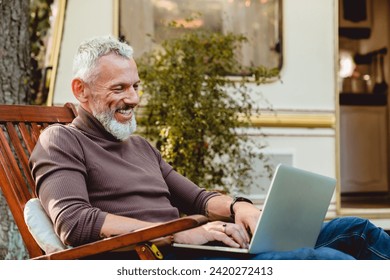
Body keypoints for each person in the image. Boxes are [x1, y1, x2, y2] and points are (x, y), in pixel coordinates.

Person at [29, 35, 390, 260]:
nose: (134, 98)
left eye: (136, 86)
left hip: (200, 244)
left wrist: (239, 208)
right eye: (120, 88)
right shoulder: (61, 141)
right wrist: (182, 233)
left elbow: (199, 199)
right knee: (331, 262)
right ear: (81, 90)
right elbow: (74, 224)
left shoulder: (138, 146)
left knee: (358, 229)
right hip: (163, 259)